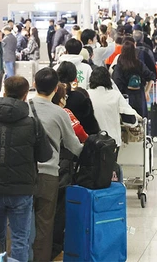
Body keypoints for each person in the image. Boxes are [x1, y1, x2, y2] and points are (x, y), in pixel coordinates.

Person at [0, 76, 52, 262]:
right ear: (26, 95)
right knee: (20, 239)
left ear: (3, 90)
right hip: (21, 190)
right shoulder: (32, 124)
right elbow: (45, 155)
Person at [29, 68, 83, 262]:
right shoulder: (60, 113)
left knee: (21, 222)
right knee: (45, 224)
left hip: (24, 173)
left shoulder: (24, 107)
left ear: (34, 84)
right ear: (55, 89)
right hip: (49, 175)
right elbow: (74, 146)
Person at [50, 83, 87, 259]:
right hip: (62, 166)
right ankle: (56, 248)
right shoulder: (65, 113)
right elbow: (80, 135)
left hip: (38, 167)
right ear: (61, 98)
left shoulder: (35, 110)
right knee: (59, 209)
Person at [88, 66, 140, 149]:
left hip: (91, 141)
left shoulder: (87, 95)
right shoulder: (116, 95)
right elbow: (130, 119)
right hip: (112, 141)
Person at [112, 41, 155, 118]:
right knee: (141, 121)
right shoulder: (139, 64)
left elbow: (117, 83)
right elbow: (152, 76)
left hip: (125, 99)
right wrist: (147, 91)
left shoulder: (119, 66)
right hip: (139, 97)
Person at [57, 61, 100, 135]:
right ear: (74, 77)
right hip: (79, 140)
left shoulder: (52, 96)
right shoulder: (80, 98)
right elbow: (92, 126)